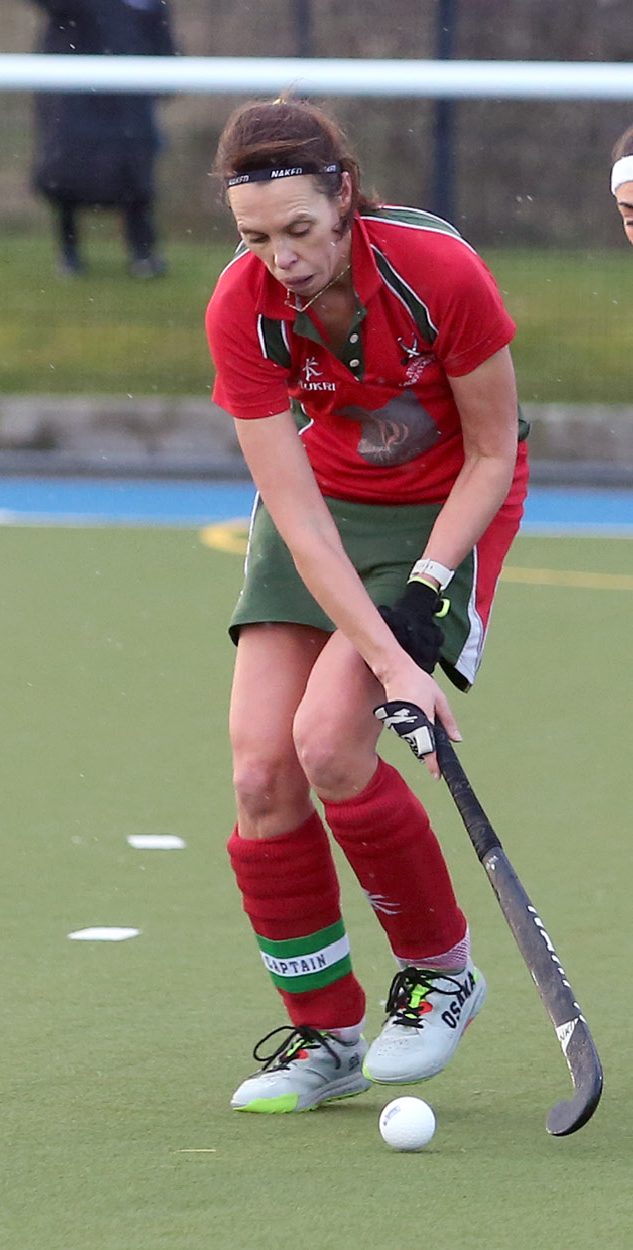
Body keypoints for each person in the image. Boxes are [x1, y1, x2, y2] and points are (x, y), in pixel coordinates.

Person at [203, 98, 525, 1115]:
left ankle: (441, 974)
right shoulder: (241, 306)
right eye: (256, 237)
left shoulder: (438, 272)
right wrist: (388, 662)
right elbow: (297, 514)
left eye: (300, 229)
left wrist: (425, 592)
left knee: (331, 746)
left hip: (445, 503)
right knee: (261, 770)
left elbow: (493, 451)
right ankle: (325, 1033)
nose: (282, 259)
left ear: (343, 195)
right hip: (324, 508)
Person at [28, 0, 176, 277]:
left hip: (130, 98)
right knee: (66, 173)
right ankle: (69, 254)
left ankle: (143, 253)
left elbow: (160, 32)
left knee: (134, 173)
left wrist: (167, 70)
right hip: (73, 97)